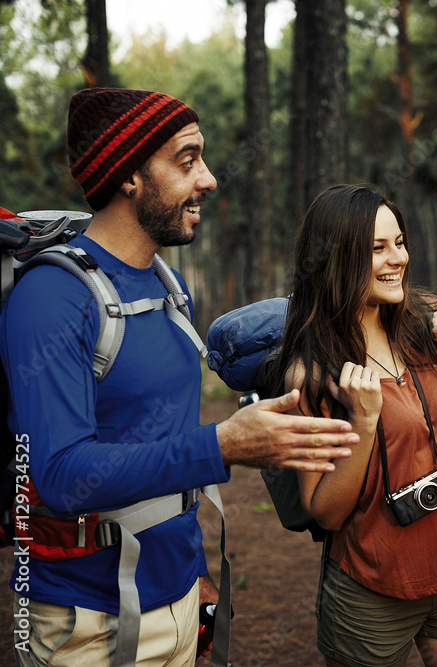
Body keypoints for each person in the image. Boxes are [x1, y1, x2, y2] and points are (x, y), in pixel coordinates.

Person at [1, 87, 359, 667]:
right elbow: (63, 477)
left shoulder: (168, 289)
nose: (210, 180)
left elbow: (158, 449)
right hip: (87, 623)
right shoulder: (52, 299)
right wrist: (225, 444)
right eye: (187, 161)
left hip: (179, 599)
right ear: (129, 176)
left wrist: (192, 580)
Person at [276, 183, 437, 667]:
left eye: (398, 243)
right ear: (337, 259)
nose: (396, 258)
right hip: (370, 589)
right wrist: (363, 420)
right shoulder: (314, 373)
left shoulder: (425, 323)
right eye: (377, 249)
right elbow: (326, 512)